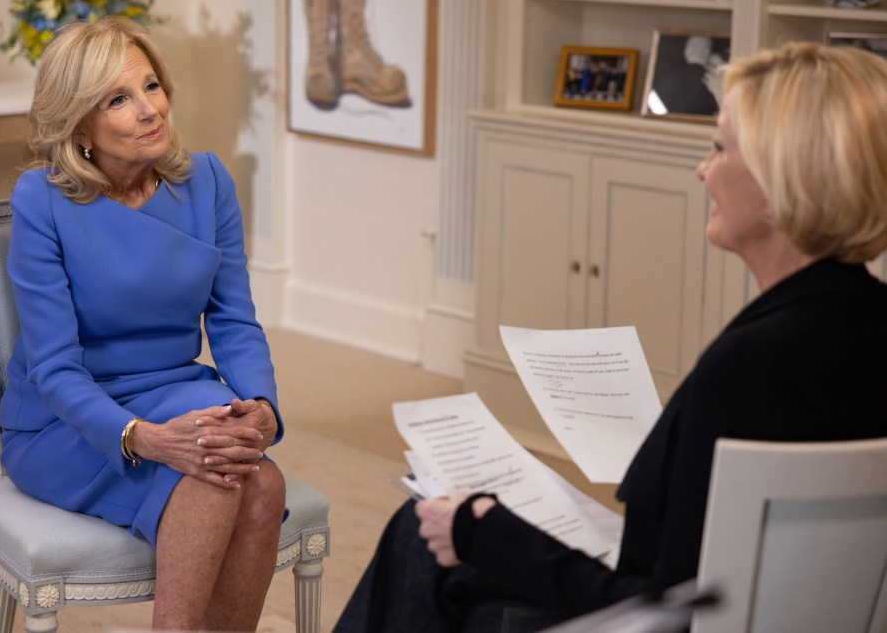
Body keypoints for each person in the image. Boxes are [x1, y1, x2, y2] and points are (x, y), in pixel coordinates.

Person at [334, 41, 887, 631]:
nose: (702, 169)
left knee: (427, 533)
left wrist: (483, 529)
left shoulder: (749, 366)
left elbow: (657, 610)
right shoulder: (861, 325)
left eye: (720, 147)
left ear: (784, 182)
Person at [0, 16, 286, 631]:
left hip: (175, 389)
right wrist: (144, 438)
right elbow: (53, 367)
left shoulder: (208, 182)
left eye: (151, 86)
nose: (150, 109)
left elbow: (234, 320)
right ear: (80, 126)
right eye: (118, 100)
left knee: (263, 483)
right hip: (66, 420)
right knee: (217, 473)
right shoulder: (41, 199)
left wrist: (262, 406)